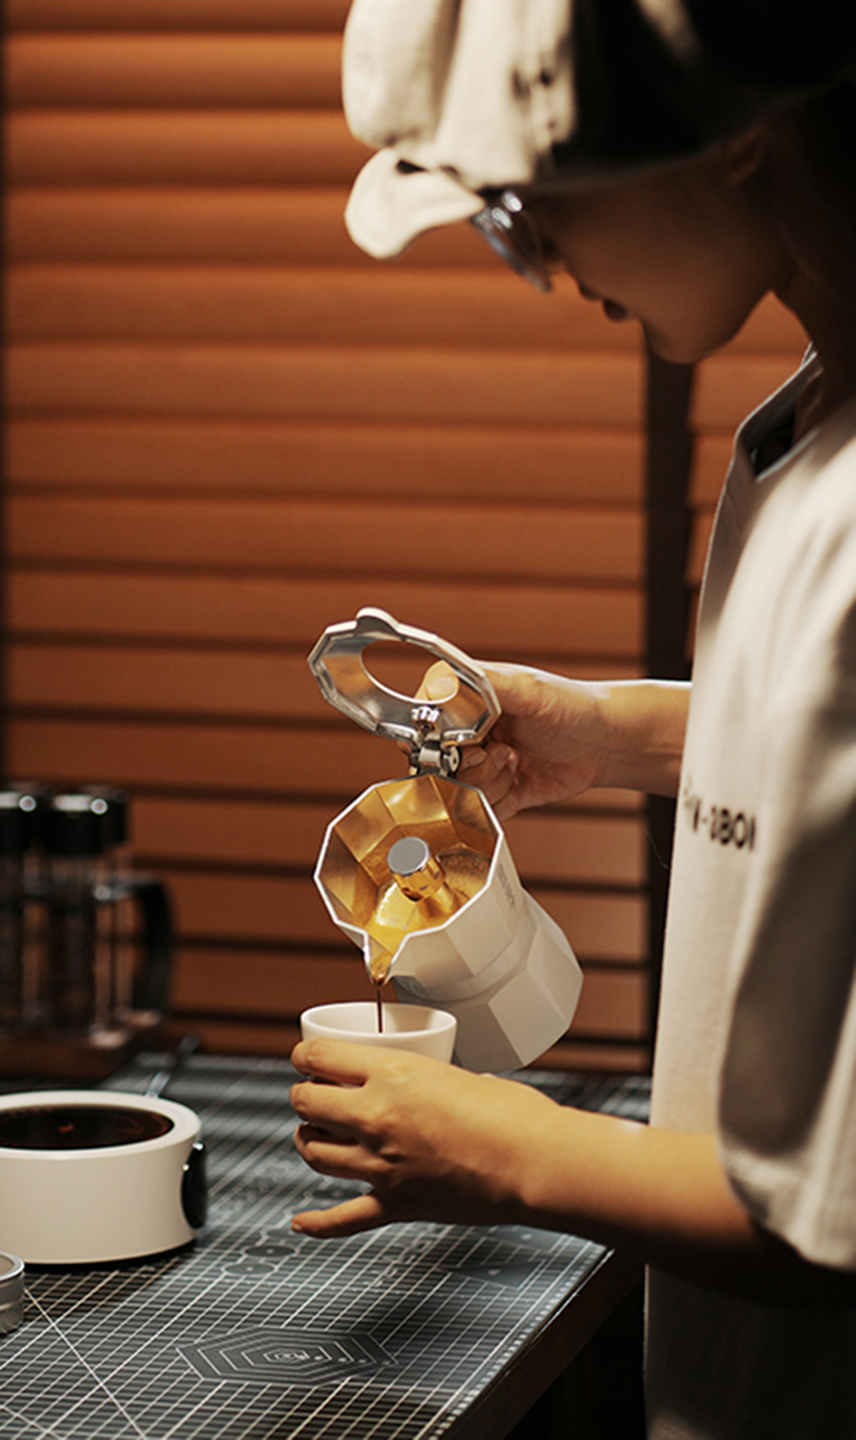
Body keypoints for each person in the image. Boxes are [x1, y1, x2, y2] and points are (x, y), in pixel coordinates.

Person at [288, 2, 856, 1435]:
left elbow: (830, 1211)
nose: (538, 259)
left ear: (735, 131)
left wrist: (510, 1151)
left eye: (524, 197)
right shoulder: (806, 428)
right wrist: (615, 732)